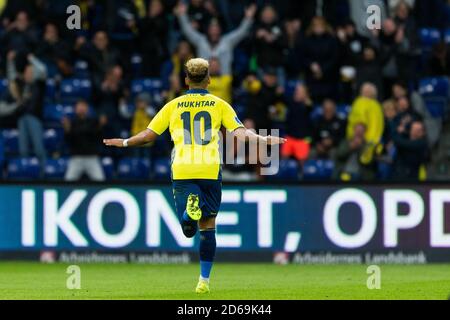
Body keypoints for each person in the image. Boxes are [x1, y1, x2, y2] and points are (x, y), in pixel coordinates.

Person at [104, 58, 285, 293]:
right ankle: (203, 281)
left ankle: (189, 212)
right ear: (209, 79)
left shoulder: (173, 105)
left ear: (186, 79)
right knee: (207, 227)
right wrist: (263, 139)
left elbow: (149, 136)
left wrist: (125, 142)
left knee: (188, 229)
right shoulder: (220, 104)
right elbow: (241, 134)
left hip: (183, 168)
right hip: (209, 169)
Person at [174, 2, 256, 76]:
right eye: (212, 30)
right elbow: (188, 31)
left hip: (224, 82)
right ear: (208, 31)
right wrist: (182, 16)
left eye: (216, 30)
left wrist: (248, 18)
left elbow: (241, 32)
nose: (214, 32)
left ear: (220, 31)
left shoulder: (227, 41)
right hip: (205, 83)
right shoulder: (201, 41)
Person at [63, 100, 106, 182]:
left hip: (92, 157)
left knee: (100, 181)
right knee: (68, 182)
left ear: (87, 108)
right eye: (79, 106)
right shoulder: (71, 123)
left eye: (83, 106)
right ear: (75, 109)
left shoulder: (94, 122)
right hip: (76, 158)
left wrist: (101, 126)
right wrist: (67, 130)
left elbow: (99, 138)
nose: (81, 108)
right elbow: (68, 140)